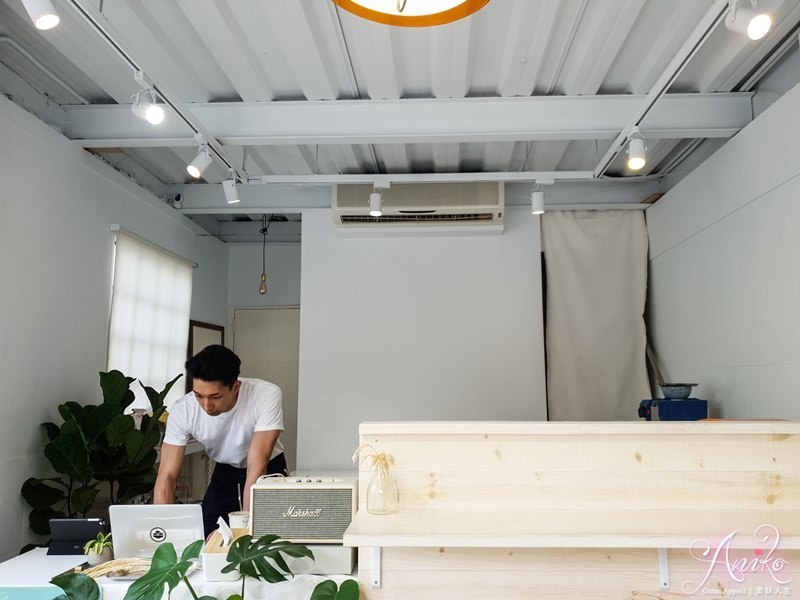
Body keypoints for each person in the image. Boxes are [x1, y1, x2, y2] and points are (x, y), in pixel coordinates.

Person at [154, 344, 288, 536]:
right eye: (199, 395)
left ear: (235, 387)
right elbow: (166, 476)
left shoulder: (265, 395)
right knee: (207, 534)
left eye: (215, 396)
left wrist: (246, 535)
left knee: (268, 534)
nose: (206, 406)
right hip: (225, 470)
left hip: (267, 469)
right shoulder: (183, 409)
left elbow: (256, 467)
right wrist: (161, 535)